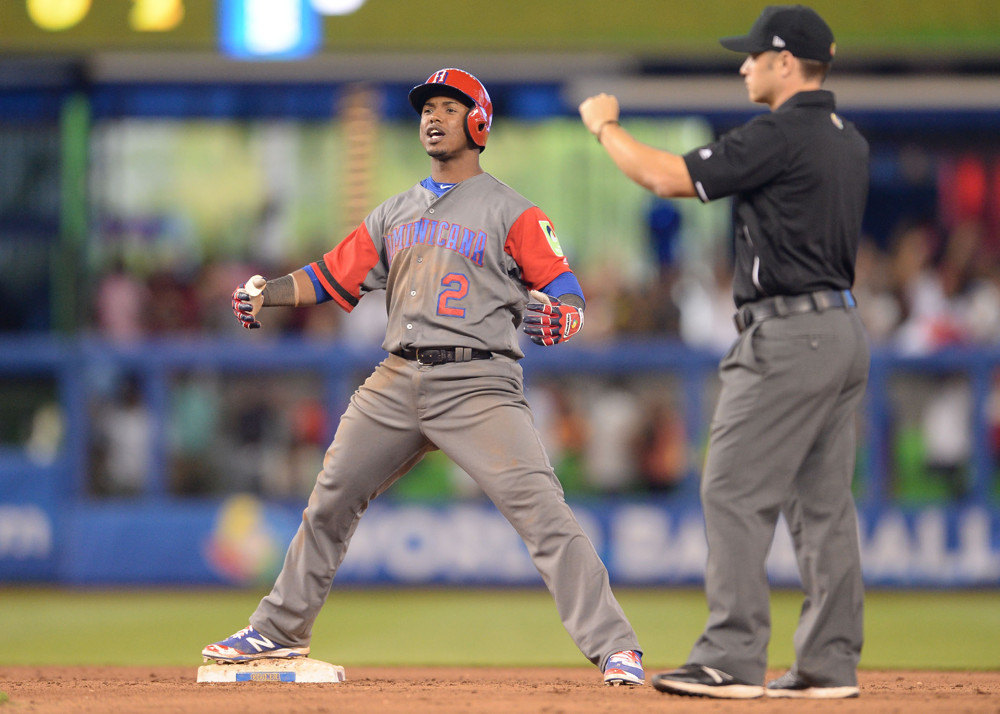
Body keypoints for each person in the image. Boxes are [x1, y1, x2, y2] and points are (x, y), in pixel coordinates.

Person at [203, 68, 645, 687]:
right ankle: (277, 633)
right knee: (329, 499)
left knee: (544, 514)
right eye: (427, 108)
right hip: (395, 379)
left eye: (448, 106)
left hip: (479, 384)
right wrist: (268, 293)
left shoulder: (513, 210)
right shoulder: (395, 211)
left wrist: (566, 316)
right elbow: (332, 276)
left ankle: (616, 647)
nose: (433, 117)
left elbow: (566, 292)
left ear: (479, 121)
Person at [579, 5, 869, 700]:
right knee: (822, 507)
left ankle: (731, 657)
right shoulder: (846, 138)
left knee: (731, 488)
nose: (744, 66)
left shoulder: (785, 133)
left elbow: (667, 178)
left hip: (788, 334)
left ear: (785, 62)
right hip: (841, 331)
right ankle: (829, 665)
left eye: (753, 56)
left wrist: (605, 127)